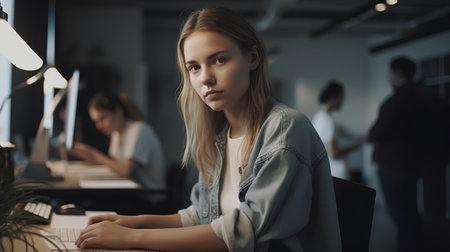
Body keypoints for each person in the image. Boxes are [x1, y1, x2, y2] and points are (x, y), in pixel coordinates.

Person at [75, 7, 341, 252]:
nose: (205, 78)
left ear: (252, 58)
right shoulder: (219, 135)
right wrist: (133, 222)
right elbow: (200, 215)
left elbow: (243, 231)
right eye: (194, 67)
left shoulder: (284, 128)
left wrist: (131, 238)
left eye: (220, 60)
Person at [368, 56, 450, 252]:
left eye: (390, 74)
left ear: (397, 74)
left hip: (395, 168)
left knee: (404, 219)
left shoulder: (395, 102)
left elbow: (374, 134)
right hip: (426, 167)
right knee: (424, 217)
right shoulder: (434, 99)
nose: (388, 78)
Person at [69, 92, 166, 191]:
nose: (99, 126)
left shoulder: (139, 130)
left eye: (102, 118)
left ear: (118, 111)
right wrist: (85, 156)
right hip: (132, 192)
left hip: (148, 197)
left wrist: (94, 154)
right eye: (96, 122)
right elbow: (113, 164)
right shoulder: (116, 133)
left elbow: (125, 171)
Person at [312, 81, 362, 179]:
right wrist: (355, 146)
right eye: (341, 97)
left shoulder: (318, 117)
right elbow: (334, 153)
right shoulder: (328, 121)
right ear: (334, 97)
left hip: (328, 172)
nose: (342, 101)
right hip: (336, 173)